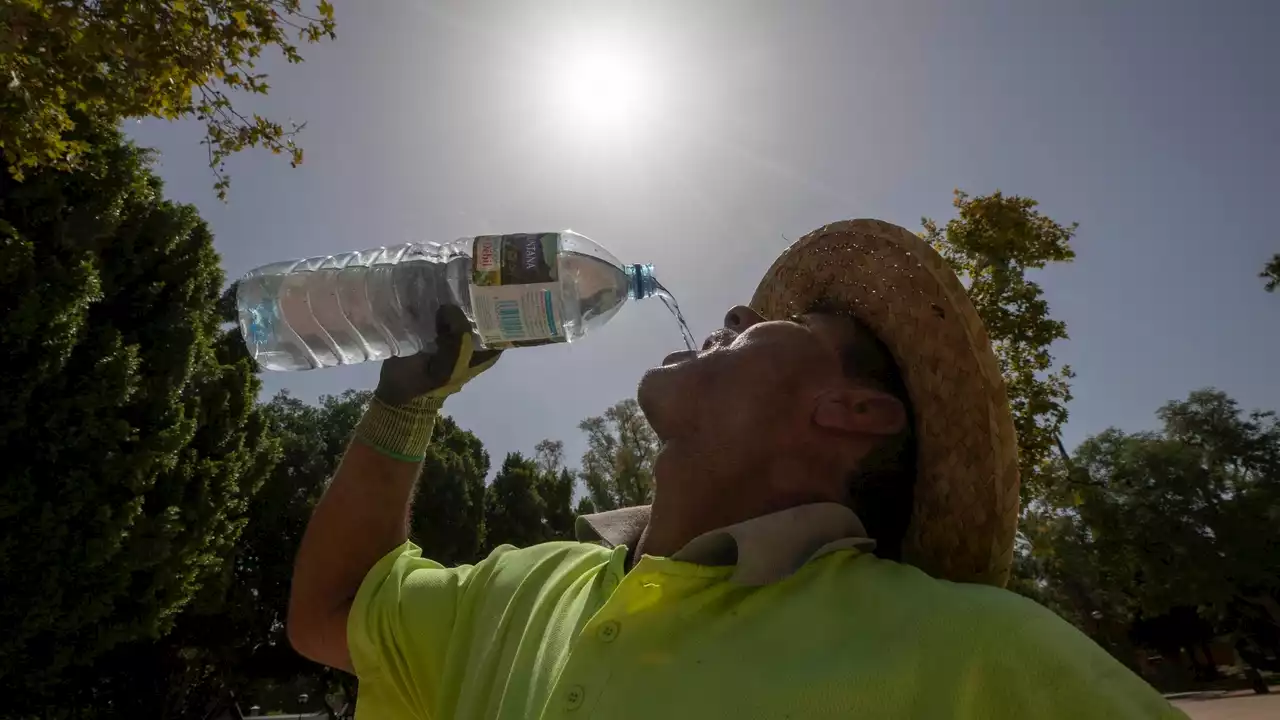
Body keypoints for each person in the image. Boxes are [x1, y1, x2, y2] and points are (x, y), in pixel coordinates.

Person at [287, 219, 1187, 719]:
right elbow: (328, 616)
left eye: (776, 326)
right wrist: (403, 405)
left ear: (852, 411)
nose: (730, 309)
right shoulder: (527, 589)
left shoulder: (971, 653)